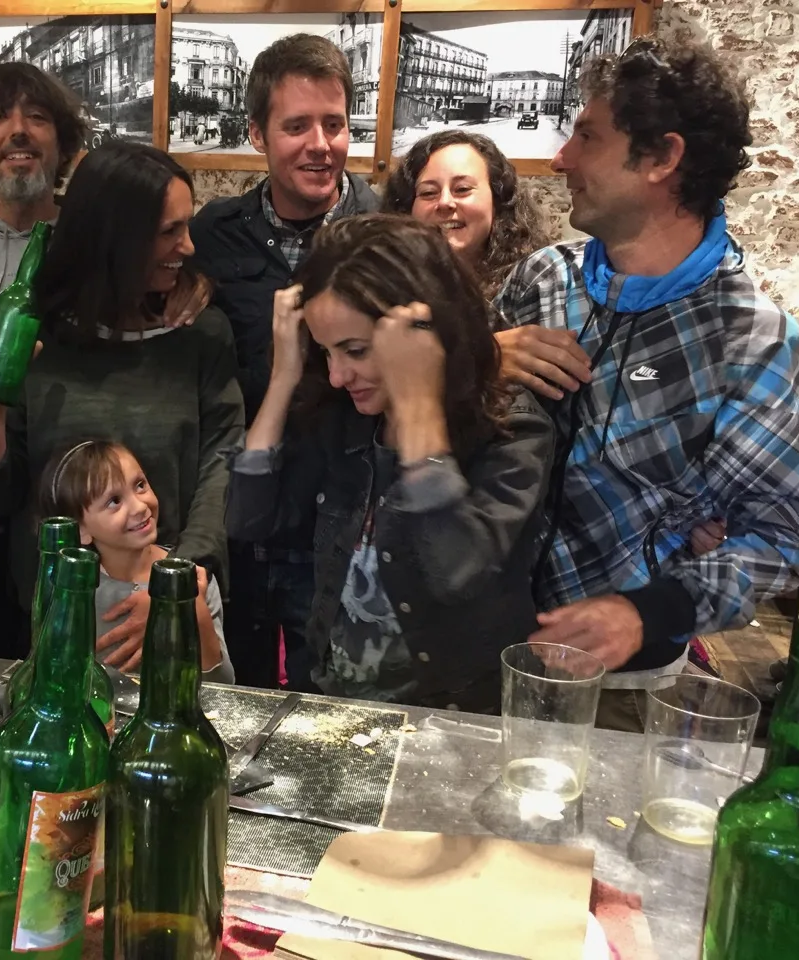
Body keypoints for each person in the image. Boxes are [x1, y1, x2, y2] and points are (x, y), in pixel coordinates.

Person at [493, 36, 799, 730]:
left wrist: (648, 613)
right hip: (479, 654)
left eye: (588, 136)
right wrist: (478, 362)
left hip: (624, 692)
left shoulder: (753, 339)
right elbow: (457, 431)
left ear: (662, 158)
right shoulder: (542, 279)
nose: (561, 160)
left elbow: (781, 540)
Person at [225, 215, 554, 711]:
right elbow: (246, 519)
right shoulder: (348, 417)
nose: (337, 376)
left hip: (452, 716)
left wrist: (418, 406)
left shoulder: (512, 427)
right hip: (336, 700)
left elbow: (457, 573)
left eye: (355, 351)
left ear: (423, 332)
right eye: (326, 352)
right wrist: (283, 378)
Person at [0, 141, 244, 667]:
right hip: (57, 615)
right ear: (114, 240)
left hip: (170, 603)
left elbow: (221, 466)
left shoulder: (199, 333)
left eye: (187, 225)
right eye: (169, 231)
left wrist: (175, 583)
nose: (188, 246)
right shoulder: (33, 335)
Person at [189, 33, 380, 693]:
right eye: (297, 126)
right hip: (242, 520)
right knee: (226, 698)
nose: (320, 144)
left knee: (328, 708)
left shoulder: (386, 229)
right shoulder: (213, 233)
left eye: (335, 124)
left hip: (343, 524)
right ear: (257, 134)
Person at [0, 61, 210, 324]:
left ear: (62, 143)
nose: (19, 130)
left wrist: (193, 284)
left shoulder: (98, 238)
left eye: (37, 116)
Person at [38, 439, 235, 683]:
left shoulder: (196, 580)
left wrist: (193, 608)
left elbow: (224, 683)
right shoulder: (72, 590)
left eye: (140, 485)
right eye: (114, 501)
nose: (140, 506)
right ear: (80, 529)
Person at [381, 129, 554, 299]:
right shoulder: (381, 288)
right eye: (428, 192)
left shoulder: (536, 281)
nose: (445, 202)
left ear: (498, 200)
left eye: (462, 189)